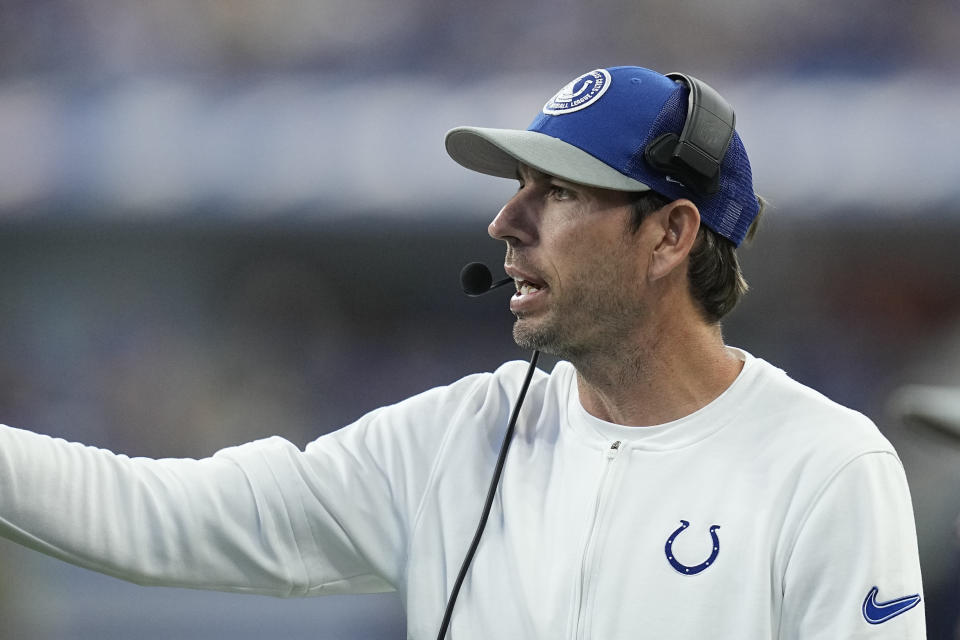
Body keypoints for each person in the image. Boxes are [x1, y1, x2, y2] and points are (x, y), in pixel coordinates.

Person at [0, 66, 925, 639]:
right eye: (516, 187)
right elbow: (155, 515)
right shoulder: (455, 438)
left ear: (670, 235)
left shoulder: (826, 467)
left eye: (558, 194)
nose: (504, 221)